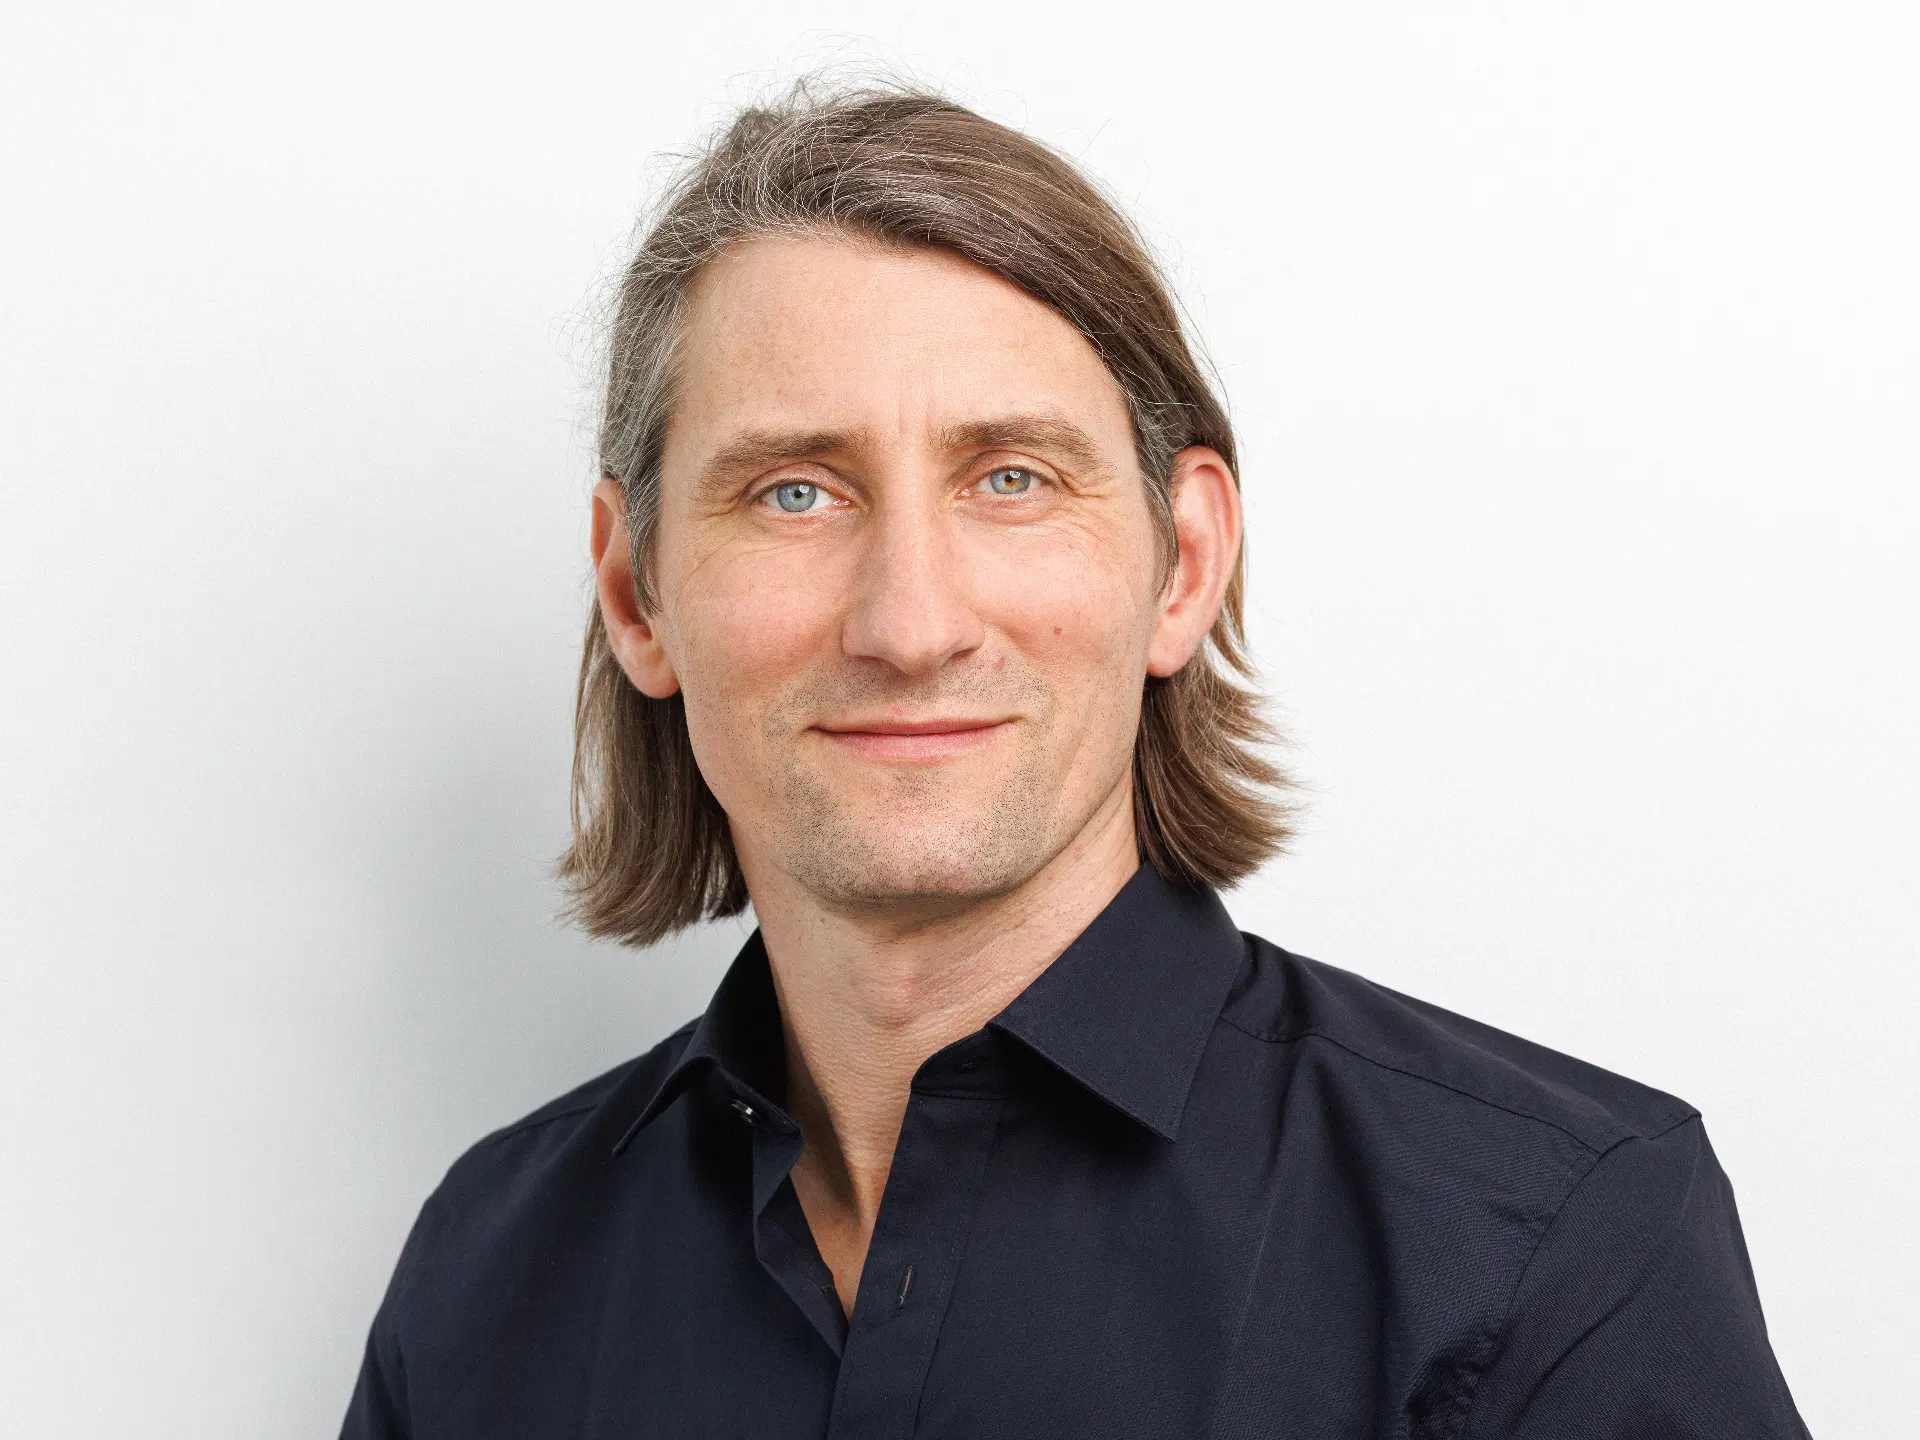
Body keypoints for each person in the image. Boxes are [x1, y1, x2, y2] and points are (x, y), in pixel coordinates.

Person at [342, 82, 1807, 1438]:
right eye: (795, 492)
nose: (911, 623)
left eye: (1012, 478)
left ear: (1185, 565)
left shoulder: (1559, 1249)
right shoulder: (487, 1274)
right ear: (636, 594)